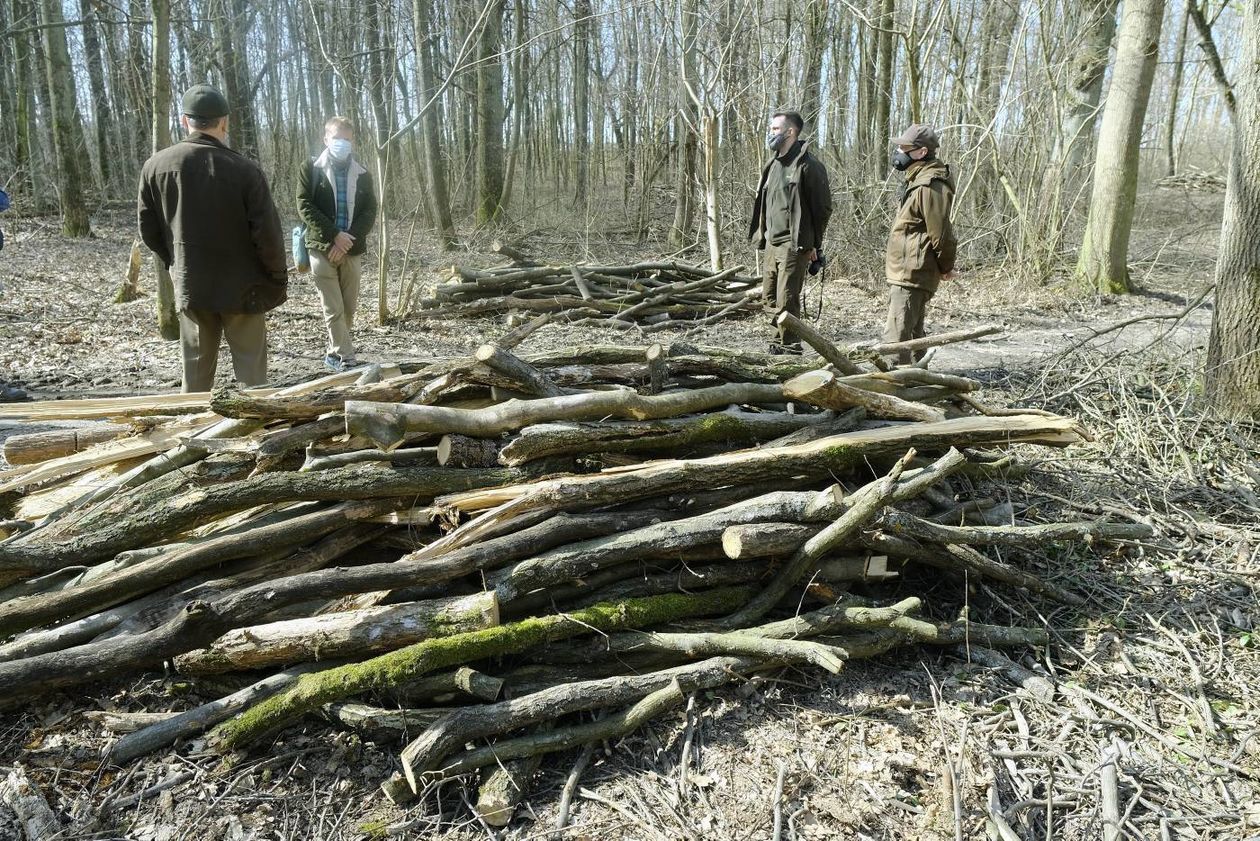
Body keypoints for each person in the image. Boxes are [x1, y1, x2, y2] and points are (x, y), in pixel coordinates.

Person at [138, 85, 287, 393]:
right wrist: (276, 276)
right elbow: (267, 235)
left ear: (184, 121)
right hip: (244, 289)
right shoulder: (245, 171)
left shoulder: (155, 167)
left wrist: (175, 262)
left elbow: (148, 230)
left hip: (192, 282)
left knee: (194, 374)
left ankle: (190, 433)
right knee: (252, 376)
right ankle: (257, 433)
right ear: (224, 123)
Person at [297, 116, 377, 372]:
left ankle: (333, 352)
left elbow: (369, 211)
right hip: (321, 247)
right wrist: (334, 235)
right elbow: (304, 205)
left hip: (351, 247)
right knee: (333, 307)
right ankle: (347, 358)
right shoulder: (311, 168)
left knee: (349, 307)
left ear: (352, 141)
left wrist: (346, 240)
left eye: (346, 139)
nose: (341, 143)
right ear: (326, 139)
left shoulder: (363, 174)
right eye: (336, 138)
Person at [749, 110, 832, 354]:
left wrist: (815, 245)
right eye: (772, 128)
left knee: (787, 300)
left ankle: (790, 349)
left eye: (776, 129)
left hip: (794, 245)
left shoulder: (809, 166)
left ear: (791, 132)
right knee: (769, 298)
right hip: (772, 243)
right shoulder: (772, 164)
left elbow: (823, 209)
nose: (771, 133)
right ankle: (778, 343)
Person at [883, 123, 957, 365]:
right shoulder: (917, 179)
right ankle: (918, 379)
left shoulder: (931, 184)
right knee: (913, 332)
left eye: (905, 148)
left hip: (913, 270)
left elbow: (941, 233)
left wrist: (946, 266)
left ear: (922, 152)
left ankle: (896, 385)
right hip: (907, 268)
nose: (899, 153)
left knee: (897, 339)